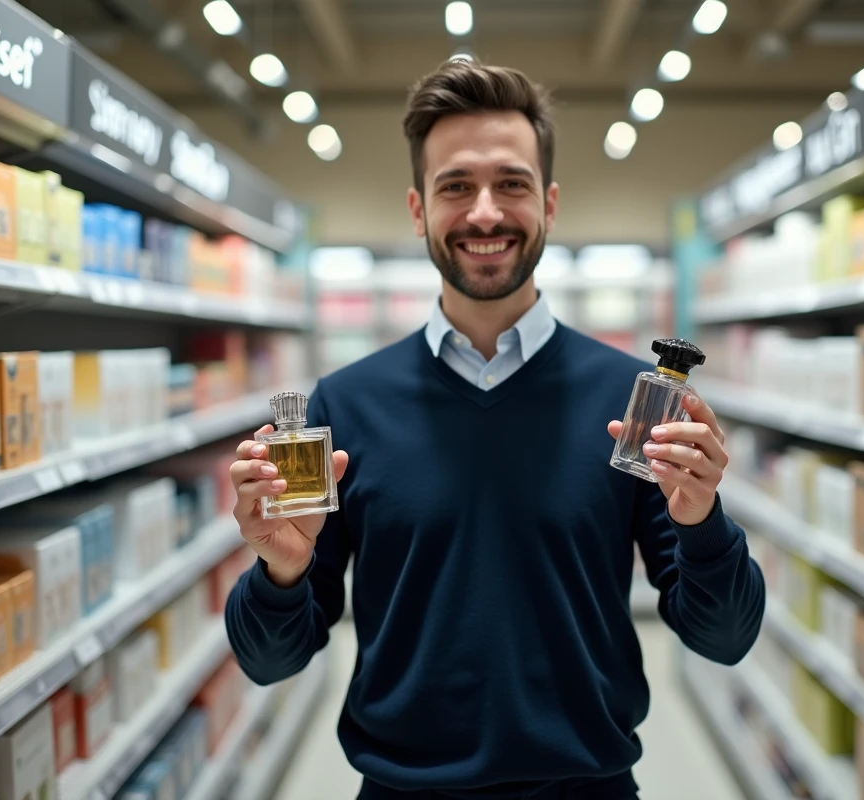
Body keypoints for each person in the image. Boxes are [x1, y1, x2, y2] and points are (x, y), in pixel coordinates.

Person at [224, 59, 765, 800]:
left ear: (549, 203)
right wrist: (282, 572)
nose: (485, 213)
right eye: (456, 186)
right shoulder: (346, 406)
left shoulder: (635, 405)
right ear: (418, 210)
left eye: (511, 183)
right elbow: (268, 662)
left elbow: (725, 639)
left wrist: (703, 524)